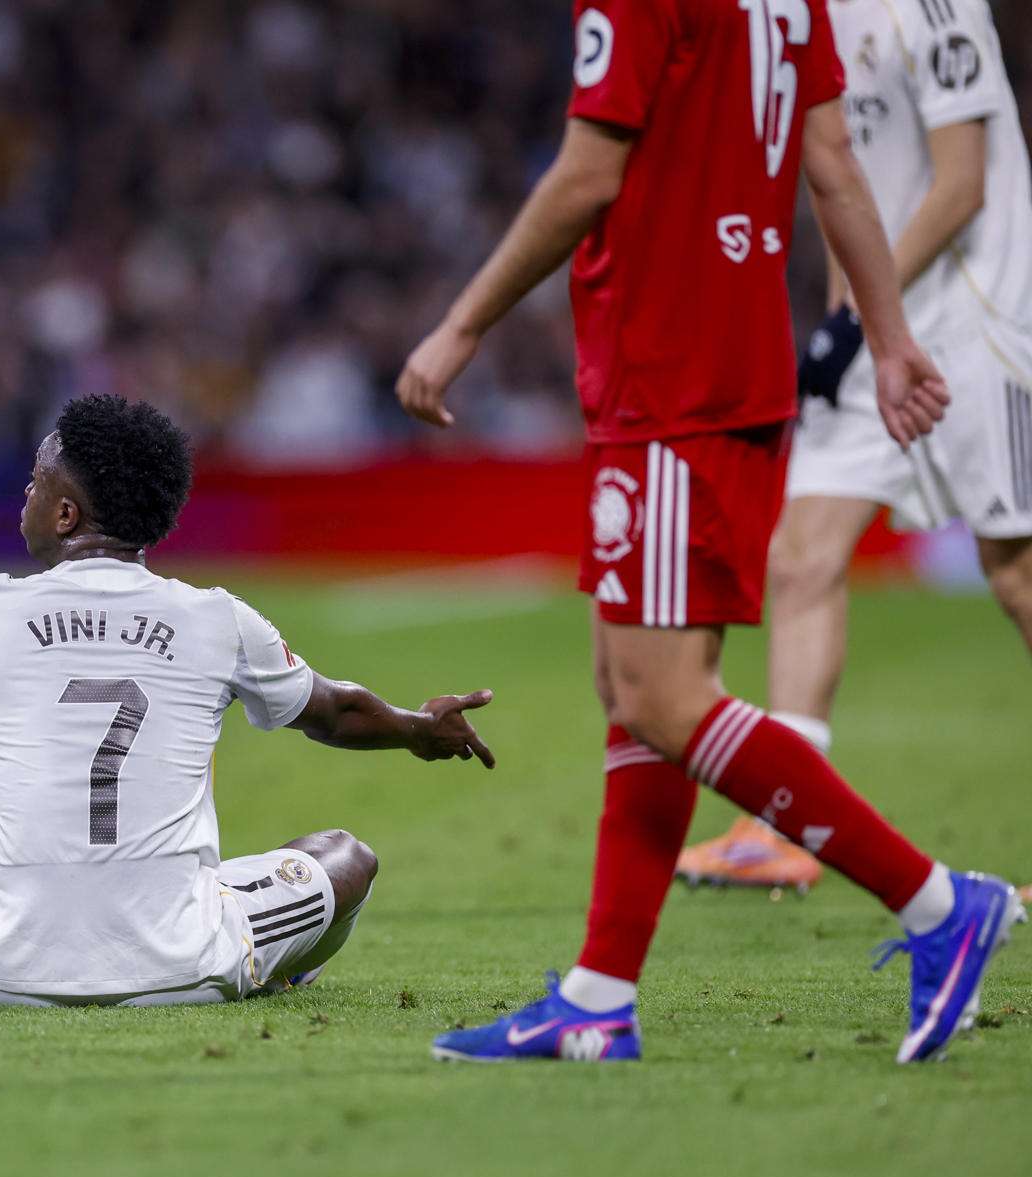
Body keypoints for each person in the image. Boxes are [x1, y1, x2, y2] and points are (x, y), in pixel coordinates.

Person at [396, 0, 1022, 1063]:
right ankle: (599, 995)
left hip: (672, 373)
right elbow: (833, 165)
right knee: (631, 683)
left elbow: (588, 175)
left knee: (664, 693)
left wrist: (460, 325)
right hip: (725, 369)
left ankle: (937, 903)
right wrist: (888, 336)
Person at [0, 394, 495, 1006]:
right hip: (186, 967)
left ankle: (11, 945)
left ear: (67, 516)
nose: (26, 493)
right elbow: (334, 711)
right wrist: (416, 729)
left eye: (38, 482)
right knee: (345, 855)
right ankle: (278, 965)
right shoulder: (217, 618)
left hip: (7, 978)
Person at [679, 0, 1032, 896]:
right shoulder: (802, 19)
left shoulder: (937, 8)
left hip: (980, 327)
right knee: (800, 557)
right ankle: (784, 823)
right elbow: (838, 183)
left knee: (1015, 576)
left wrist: (852, 314)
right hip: (879, 328)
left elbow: (963, 184)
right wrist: (855, 321)